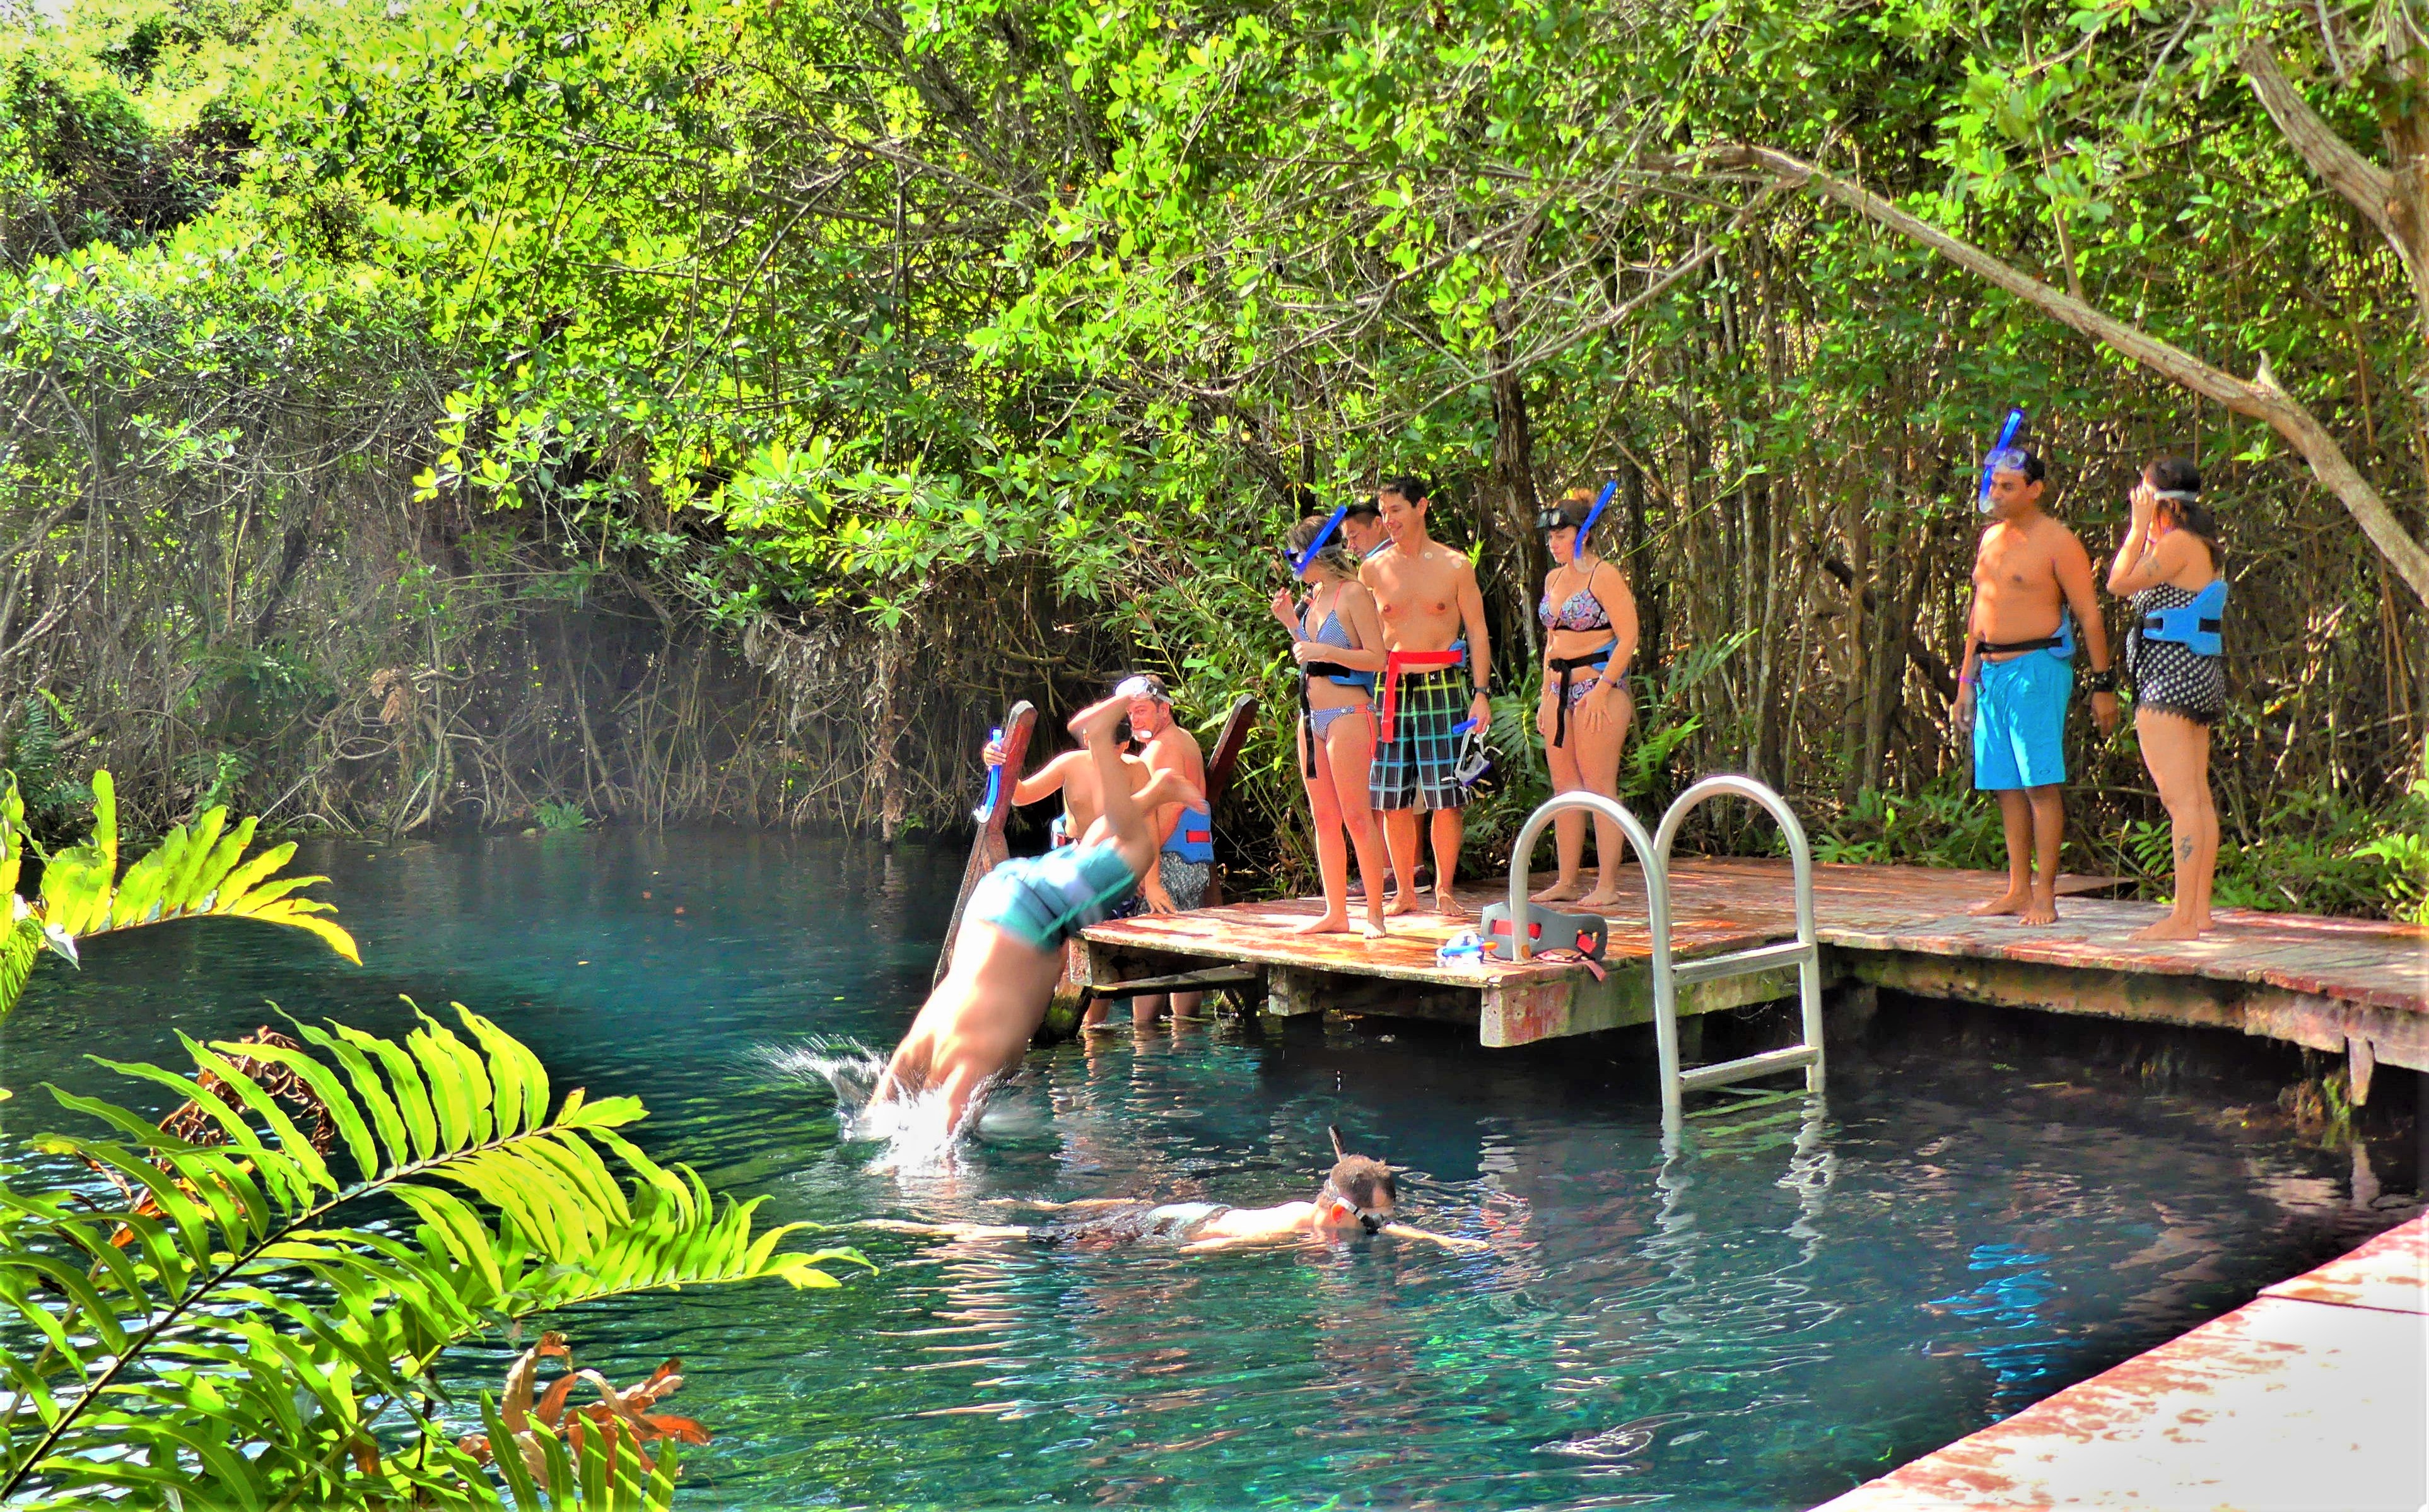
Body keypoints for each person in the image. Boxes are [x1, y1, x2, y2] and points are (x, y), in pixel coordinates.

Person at [872, 694, 1205, 1135]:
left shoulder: (928, 1040)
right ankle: (1123, 756)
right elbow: (1031, 795)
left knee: (1126, 842)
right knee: (1135, 848)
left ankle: (1135, 771)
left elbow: (1113, 824)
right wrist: (998, 765)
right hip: (1041, 900)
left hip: (1002, 891)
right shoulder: (980, 1054)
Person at [1953, 447, 2120, 925]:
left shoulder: (2057, 540)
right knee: (2004, 785)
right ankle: (2016, 888)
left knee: (2038, 784)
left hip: (2037, 668)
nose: (1997, 494)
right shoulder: (1989, 540)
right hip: (1991, 672)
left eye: (2007, 486)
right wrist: (1965, 680)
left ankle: (2045, 894)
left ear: (2034, 489)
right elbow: (1978, 614)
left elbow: (2089, 614)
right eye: (1993, 485)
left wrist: (2102, 683)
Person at [860, 1137, 1485, 1253]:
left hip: (1184, 1213)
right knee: (1048, 1241)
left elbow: (1390, 1231)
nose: (1375, 1231)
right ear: (1339, 1210)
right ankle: (956, 1232)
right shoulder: (1298, 1229)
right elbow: (1214, 1241)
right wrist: (1192, 1259)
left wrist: (1442, 1240)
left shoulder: (1317, 1215)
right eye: (1370, 1225)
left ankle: (1035, 1205)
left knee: (1091, 1213)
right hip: (1181, 1230)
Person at [1361, 476, 1495, 918]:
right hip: (1391, 687)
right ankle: (1402, 890)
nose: (1388, 520)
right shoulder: (1372, 569)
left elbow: (1476, 629)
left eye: (1395, 510)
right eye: (1383, 512)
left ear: (1421, 506)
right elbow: (1358, 633)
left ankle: (1444, 888)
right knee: (1391, 797)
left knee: (1447, 796)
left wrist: (1480, 693)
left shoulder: (1454, 564)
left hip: (1443, 682)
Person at [2107, 455, 2227, 941]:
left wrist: (2137, 529)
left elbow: (2118, 582)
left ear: (2160, 500)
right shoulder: (2204, 543)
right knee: (2196, 796)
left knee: (2181, 801)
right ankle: (2197, 913)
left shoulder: (2177, 543)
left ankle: (2181, 918)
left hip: (2168, 678)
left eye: (2143, 492)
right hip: (2197, 672)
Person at [1269, 513, 1391, 937]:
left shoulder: (1353, 593)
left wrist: (1324, 648)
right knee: (1324, 818)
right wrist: (1289, 621)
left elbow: (1377, 658)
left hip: (1349, 715)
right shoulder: (1313, 596)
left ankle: (1374, 913)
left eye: (1293, 555)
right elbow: (1309, 653)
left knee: (1358, 816)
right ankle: (1334, 910)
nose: (1290, 564)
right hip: (1312, 717)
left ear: (1317, 553)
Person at [1530, 487, 1641, 910]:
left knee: (1598, 785)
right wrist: (1545, 694)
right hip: (1559, 688)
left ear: (1584, 533)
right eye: (1551, 538)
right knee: (1565, 787)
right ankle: (1565, 878)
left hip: (1599, 686)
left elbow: (1628, 635)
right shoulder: (1553, 579)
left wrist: (1603, 687)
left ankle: (1608, 883)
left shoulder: (1604, 575)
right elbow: (1550, 641)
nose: (1554, 543)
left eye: (1562, 535)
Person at [1103, 672, 1213, 1029]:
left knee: (1149, 949)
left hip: (1169, 865)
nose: (1135, 719)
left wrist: (1145, 875)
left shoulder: (1161, 749)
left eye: (1142, 710)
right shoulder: (1185, 740)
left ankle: (1146, 1041)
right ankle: (1185, 1036)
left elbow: (1159, 817)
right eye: (1130, 713)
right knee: (1181, 947)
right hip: (1191, 862)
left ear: (1164, 709)